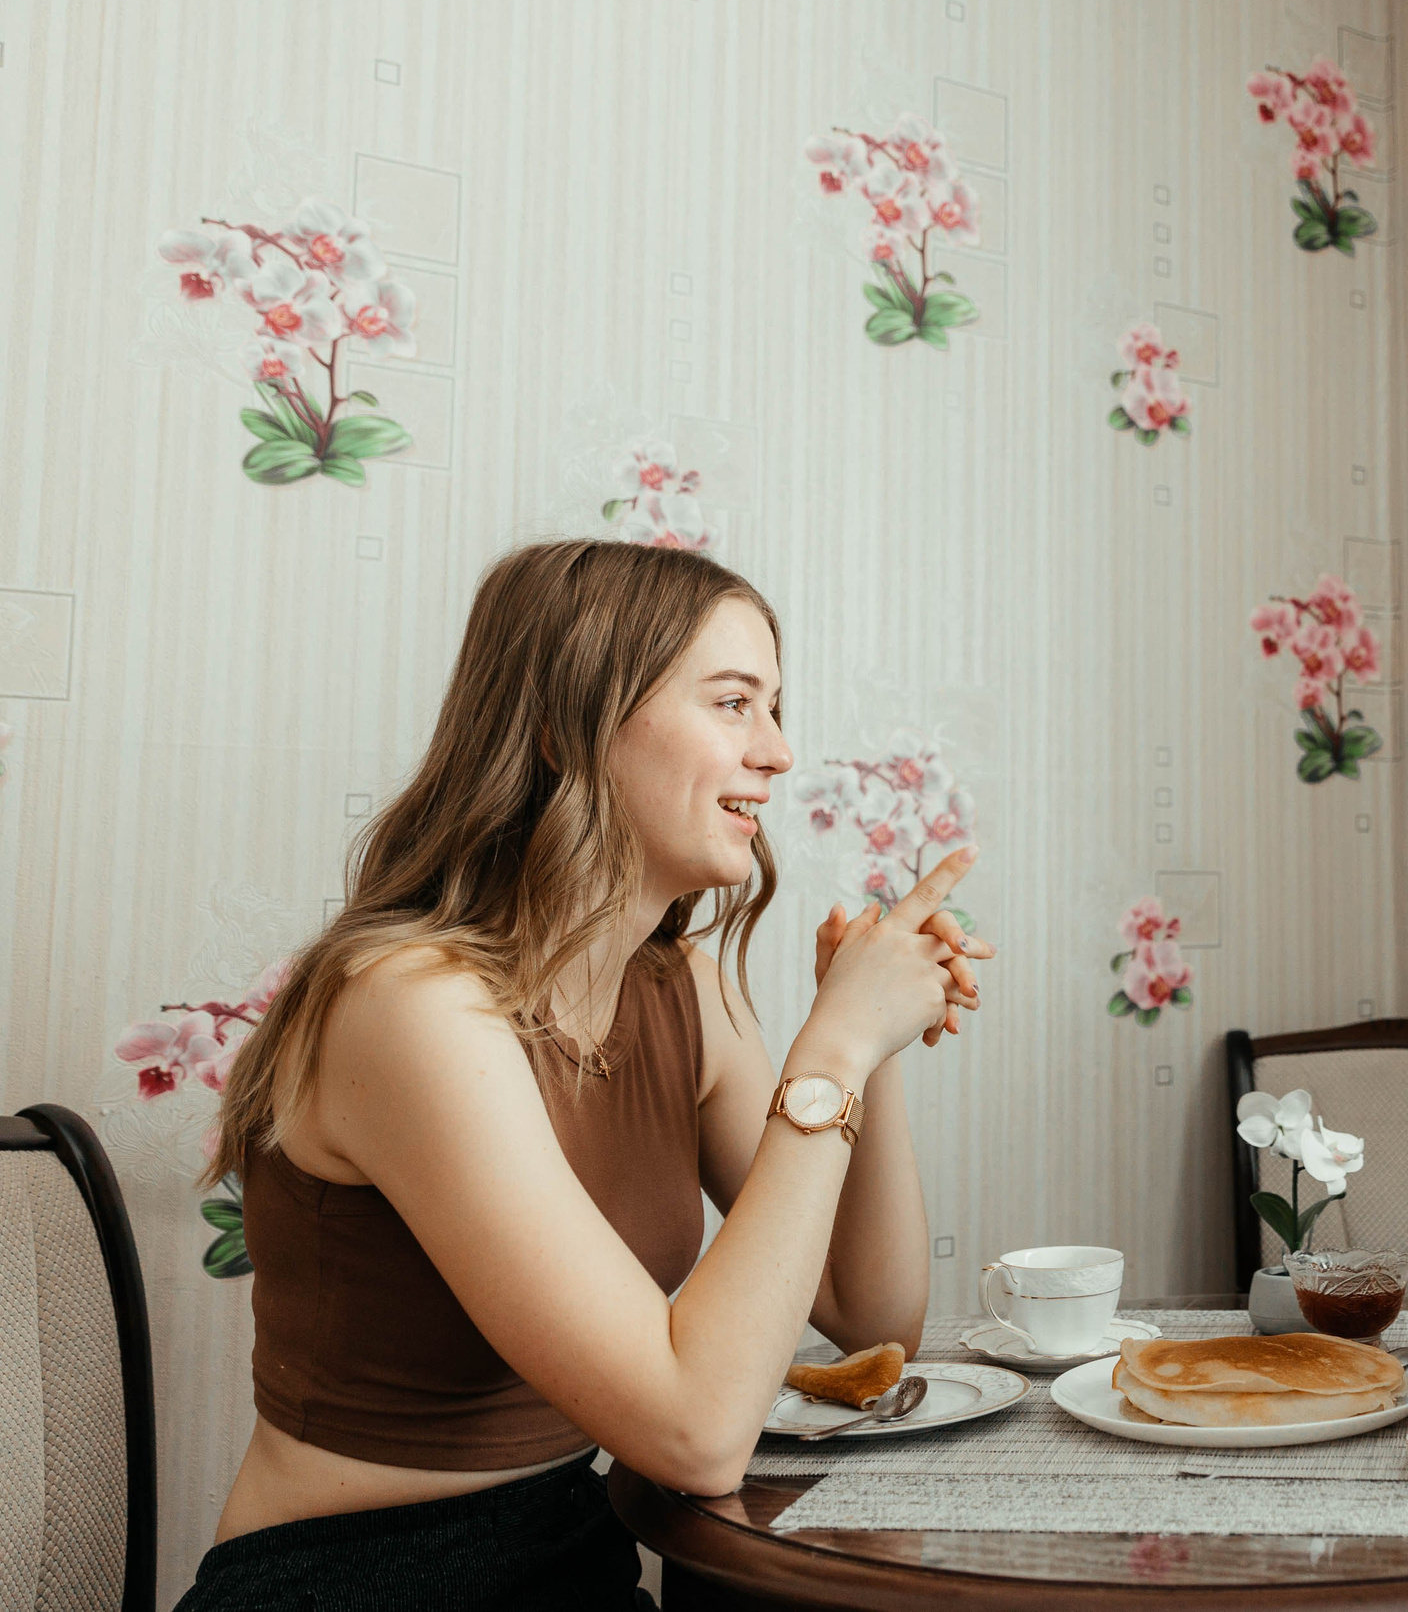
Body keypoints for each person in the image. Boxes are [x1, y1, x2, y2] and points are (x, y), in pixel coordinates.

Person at [179, 540, 993, 1610]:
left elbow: (872, 1319)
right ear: (570, 727)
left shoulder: (680, 989)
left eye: (775, 707)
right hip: (353, 1582)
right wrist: (831, 1048)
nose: (781, 752)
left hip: (575, 1558)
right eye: (734, 704)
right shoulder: (410, 1005)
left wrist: (867, 1043)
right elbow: (699, 1436)